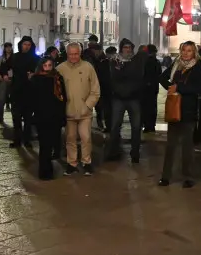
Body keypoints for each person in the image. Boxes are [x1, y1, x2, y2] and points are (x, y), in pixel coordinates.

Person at [159, 41, 201, 188]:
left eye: (189, 51)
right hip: (174, 108)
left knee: (187, 146)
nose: (186, 53)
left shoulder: (198, 67)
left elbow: (197, 88)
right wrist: (171, 87)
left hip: (188, 110)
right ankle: (165, 176)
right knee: (170, 145)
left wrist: (178, 87)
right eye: (184, 50)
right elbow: (162, 77)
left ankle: (188, 177)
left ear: (194, 53)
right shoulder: (176, 64)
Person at [56, 42, 100, 175]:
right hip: (68, 111)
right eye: (71, 54)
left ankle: (87, 162)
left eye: (76, 54)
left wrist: (88, 105)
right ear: (67, 54)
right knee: (70, 138)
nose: (73, 57)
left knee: (86, 138)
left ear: (80, 53)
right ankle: (72, 163)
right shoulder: (60, 69)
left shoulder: (88, 67)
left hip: (84, 111)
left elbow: (95, 89)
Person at [107, 39, 146, 163]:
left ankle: (135, 153)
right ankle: (113, 151)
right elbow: (113, 78)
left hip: (133, 98)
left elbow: (138, 77)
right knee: (115, 126)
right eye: (125, 47)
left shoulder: (136, 61)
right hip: (118, 97)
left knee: (136, 127)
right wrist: (118, 89)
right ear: (121, 48)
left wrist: (124, 74)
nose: (127, 50)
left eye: (129, 48)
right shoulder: (115, 61)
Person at [29, 55, 68, 179]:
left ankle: (47, 169)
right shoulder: (36, 79)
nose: (47, 68)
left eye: (49, 65)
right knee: (44, 144)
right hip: (42, 116)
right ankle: (45, 171)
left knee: (51, 143)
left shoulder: (58, 78)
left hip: (55, 116)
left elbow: (63, 98)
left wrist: (62, 115)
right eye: (45, 65)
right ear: (41, 66)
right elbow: (32, 99)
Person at [9, 36, 40, 148]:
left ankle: (27, 140)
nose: (26, 47)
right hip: (16, 91)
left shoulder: (36, 58)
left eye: (29, 45)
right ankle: (17, 140)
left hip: (29, 92)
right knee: (16, 117)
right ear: (21, 45)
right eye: (25, 44)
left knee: (28, 118)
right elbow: (6, 68)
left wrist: (34, 75)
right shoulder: (14, 57)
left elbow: (40, 72)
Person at [0, 42, 13, 124]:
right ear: (5, 49)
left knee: (14, 99)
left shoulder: (14, 57)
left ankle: (15, 117)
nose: (8, 49)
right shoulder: (1, 58)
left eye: (10, 47)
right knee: (1, 99)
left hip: (12, 80)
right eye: (7, 47)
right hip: (3, 80)